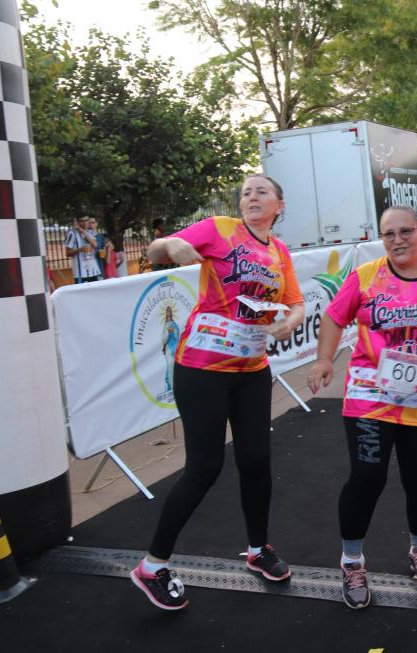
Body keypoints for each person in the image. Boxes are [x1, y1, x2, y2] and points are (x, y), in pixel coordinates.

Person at [130, 175, 305, 611]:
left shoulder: (279, 252)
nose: (251, 196)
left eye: (261, 191)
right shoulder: (219, 229)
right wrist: (172, 246)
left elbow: (296, 301)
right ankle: (152, 566)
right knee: (204, 467)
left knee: (256, 461)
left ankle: (258, 550)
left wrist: (292, 320)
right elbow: (156, 249)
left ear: (279, 206)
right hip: (202, 368)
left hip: (251, 369)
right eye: (246, 192)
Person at [306, 205, 417, 610]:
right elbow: (334, 318)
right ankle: (352, 561)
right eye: (388, 234)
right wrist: (324, 360)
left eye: (405, 231)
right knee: (367, 477)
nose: (397, 240)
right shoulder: (365, 276)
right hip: (370, 396)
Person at [64, 215, 102, 283]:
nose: (85, 223)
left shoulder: (91, 232)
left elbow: (95, 245)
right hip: (80, 273)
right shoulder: (72, 233)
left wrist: (83, 231)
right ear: (78, 222)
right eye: (82, 221)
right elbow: (67, 253)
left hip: (93, 270)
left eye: (86, 220)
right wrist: (80, 250)